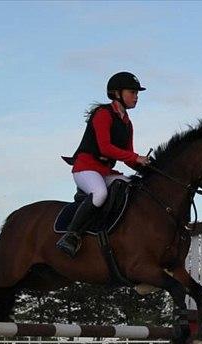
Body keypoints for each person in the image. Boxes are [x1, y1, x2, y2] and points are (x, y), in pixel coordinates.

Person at [58, 71, 151, 257]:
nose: (136, 96)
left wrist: (145, 165)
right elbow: (105, 148)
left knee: (131, 186)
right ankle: (71, 235)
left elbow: (128, 156)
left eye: (137, 93)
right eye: (132, 92)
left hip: (105, 171)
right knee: (100, 194)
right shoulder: (103, 114)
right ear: (117, 93)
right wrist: (136, 157)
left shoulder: (127, 123)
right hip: (85, 168)